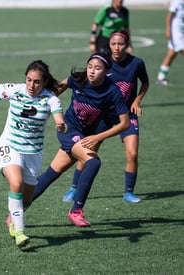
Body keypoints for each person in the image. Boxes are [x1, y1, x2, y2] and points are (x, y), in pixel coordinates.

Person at [0, 60, 66, 248]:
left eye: (37, 82)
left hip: (33, 153)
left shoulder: (51, 99)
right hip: (9, 146)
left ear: (44, 82)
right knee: (15, 183)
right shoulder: (14, 89)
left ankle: (14, 216)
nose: (31, 85)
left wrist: (61, 125)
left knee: (26, 199)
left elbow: (59, 118)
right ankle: (20, 232)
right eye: (29, 80)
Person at [31, 52, 130, 227]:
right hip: (68, 130)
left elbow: (124, 124)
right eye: (90, 66)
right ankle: (76, 211)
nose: (92, 71)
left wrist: (98, 137)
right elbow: (54, 93)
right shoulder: (77, 78)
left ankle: (17, 210)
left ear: (107, 71)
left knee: (50, 174)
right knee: (93, 163)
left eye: (98, 68)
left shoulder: (113, 91)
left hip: (85, 136)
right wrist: (42, 110)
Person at [62, 30, 149, 204]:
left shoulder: (137, 63)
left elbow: (145, 82)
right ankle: (74, 188)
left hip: (127, 114)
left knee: (132, 153)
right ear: (109, 44)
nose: (117, 47)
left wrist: (137, 100)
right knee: (89, 151)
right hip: (103, 117)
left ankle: (128, 192)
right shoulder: (103, 63)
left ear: (127, 44)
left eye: (121, 44)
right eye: (113, 44)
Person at [156, 0, 184, 86]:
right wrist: (168, 30)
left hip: (181, 32)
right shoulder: (177, 2)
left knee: (171, 54)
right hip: (176, 33)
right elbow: (169, 16)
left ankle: (161, 77)